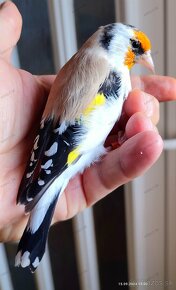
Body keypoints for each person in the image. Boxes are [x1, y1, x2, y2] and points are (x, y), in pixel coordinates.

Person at [0, 1, 175, 242]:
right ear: (112, 41)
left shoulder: (80, 63)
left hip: (54, 149)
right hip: (69, 153)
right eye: (136, 47)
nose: (143, 57)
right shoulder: (111, 76)